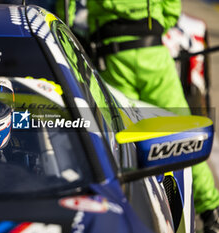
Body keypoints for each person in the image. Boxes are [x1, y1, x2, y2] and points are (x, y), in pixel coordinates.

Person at [55, 0, 219, 232]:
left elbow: (67, 9)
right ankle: (210, 210)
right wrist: (156, 24)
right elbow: (172, 9)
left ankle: (136, 213)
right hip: (153, 55)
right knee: (183, 134)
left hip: (112, 58)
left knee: (124, 143)